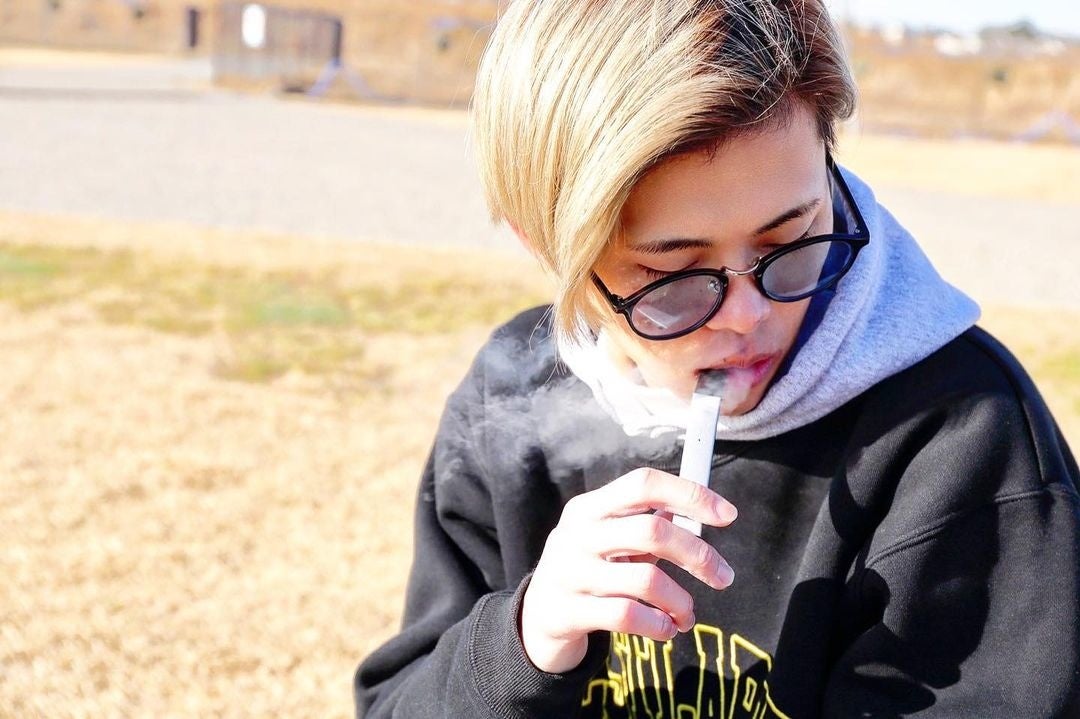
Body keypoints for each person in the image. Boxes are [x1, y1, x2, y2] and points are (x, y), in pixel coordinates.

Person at [355, 0, 1080, 716]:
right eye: (674, 277)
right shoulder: (512, 398)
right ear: (544, 244)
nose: (747, 315)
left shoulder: (959, 431)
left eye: (790, 240)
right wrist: (520, 648)